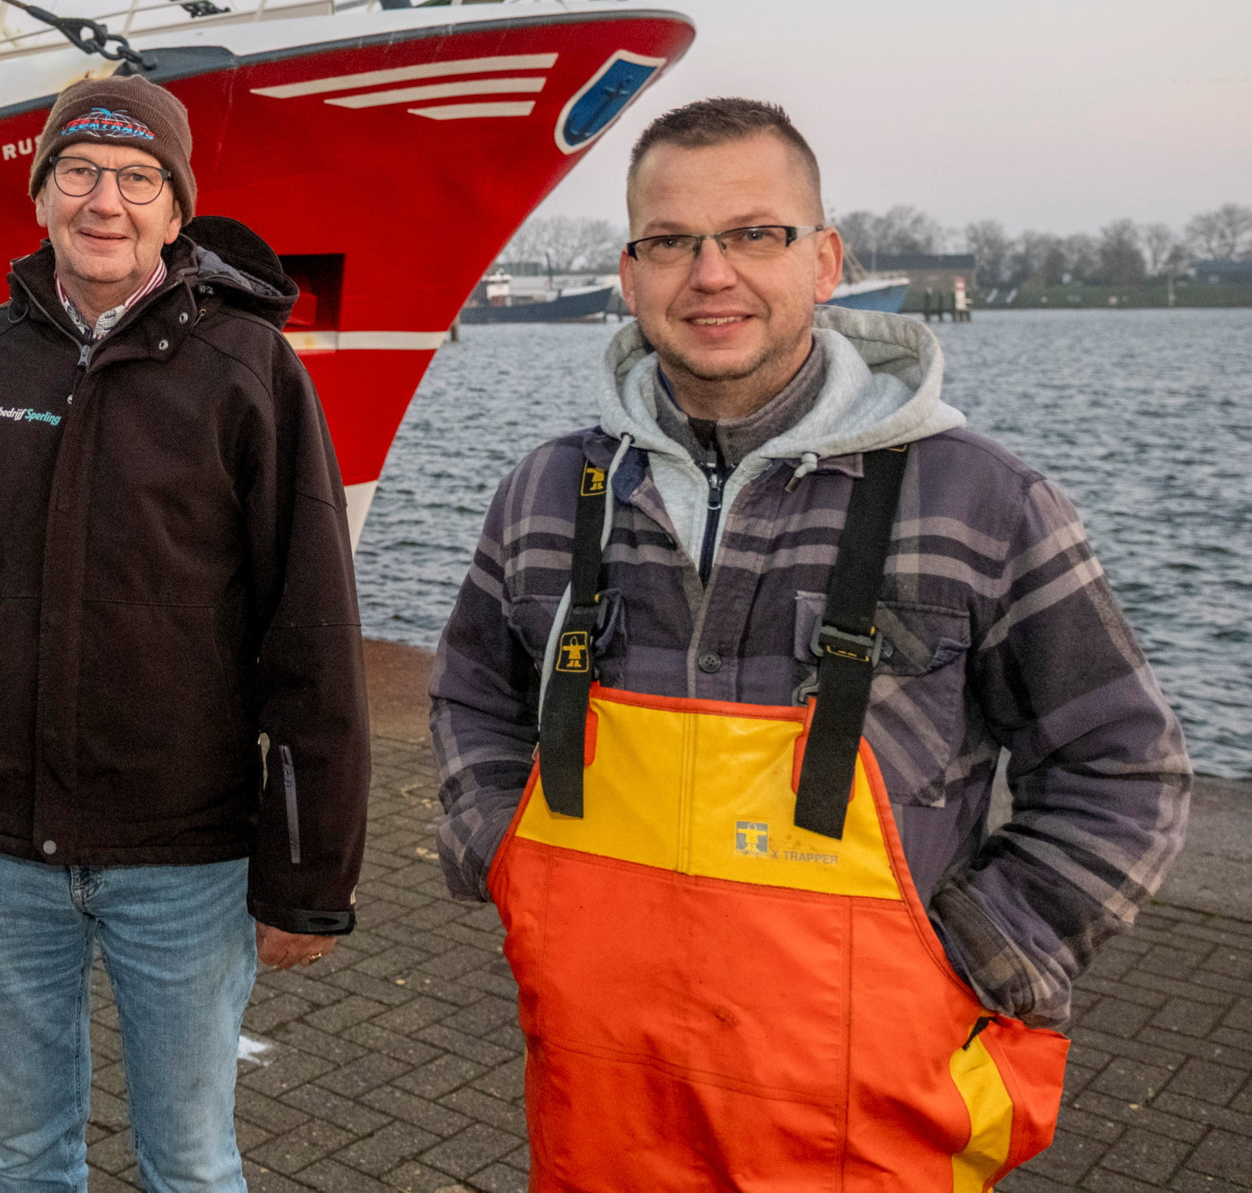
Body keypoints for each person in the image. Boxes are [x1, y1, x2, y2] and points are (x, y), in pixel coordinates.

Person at [428, 97, 1189, 1191]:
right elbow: (469, 693)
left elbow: (1127, 767)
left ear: (824, 259)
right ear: (628, 274)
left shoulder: (982, 501)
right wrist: (510, 856)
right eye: (670, 241)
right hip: (601, 1114)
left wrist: (979, 952)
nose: (710, 273)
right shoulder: (552, 492)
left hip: (862, 1127)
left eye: (753, 232)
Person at [0, 74, 371, 1193]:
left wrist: (310, 869)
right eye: (78, 171)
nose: (106, 200)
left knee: (190, 1157)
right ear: (38, 195)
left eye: (139, 179)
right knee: (26, 1152)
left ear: (175, 213)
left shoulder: (249, 372)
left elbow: (313, 634)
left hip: (186, 862)